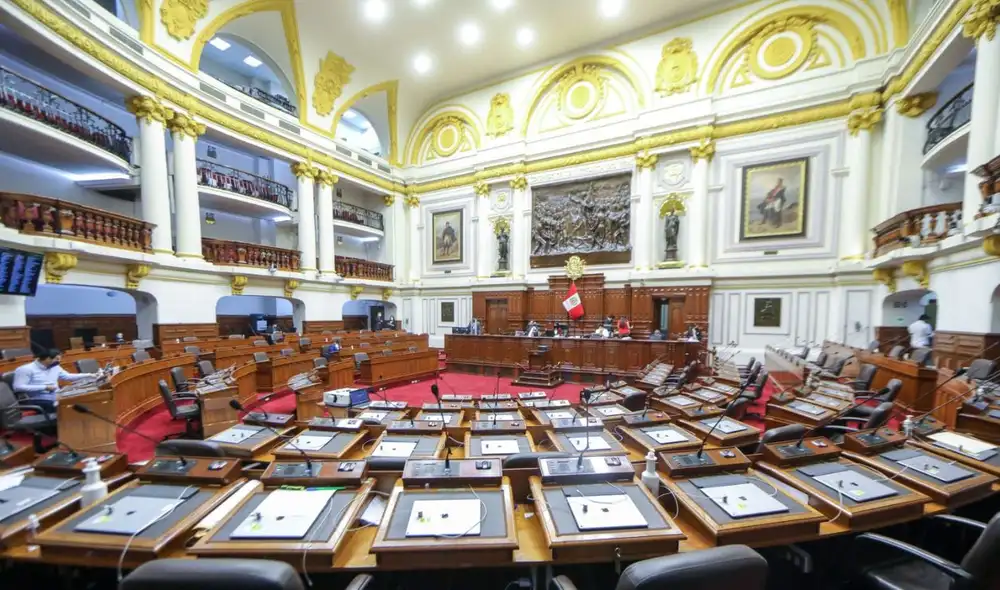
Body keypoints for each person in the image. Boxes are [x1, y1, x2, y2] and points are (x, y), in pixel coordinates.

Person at [13, 348, 100, 414]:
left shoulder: (55, 366)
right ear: (47, 358)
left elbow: (68, 376)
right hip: (38, 399)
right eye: (57, 359)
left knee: (81, 398)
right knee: (68, 406)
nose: (59, 361)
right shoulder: (25, 369)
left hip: (56, 394)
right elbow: (18, 387)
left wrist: (89, 375)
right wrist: (45, 387)